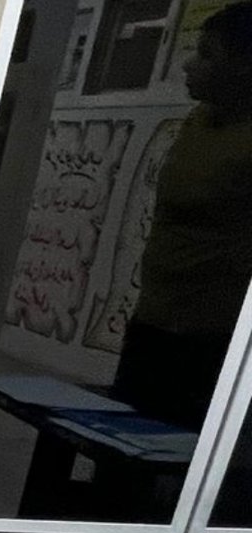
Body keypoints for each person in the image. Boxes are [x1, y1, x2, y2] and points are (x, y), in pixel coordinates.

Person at [109, 1, 252, 432]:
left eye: (207, 55)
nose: (189, 65)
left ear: (244, 67)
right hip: (153, 323)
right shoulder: (197, 122)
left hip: (209, 341)